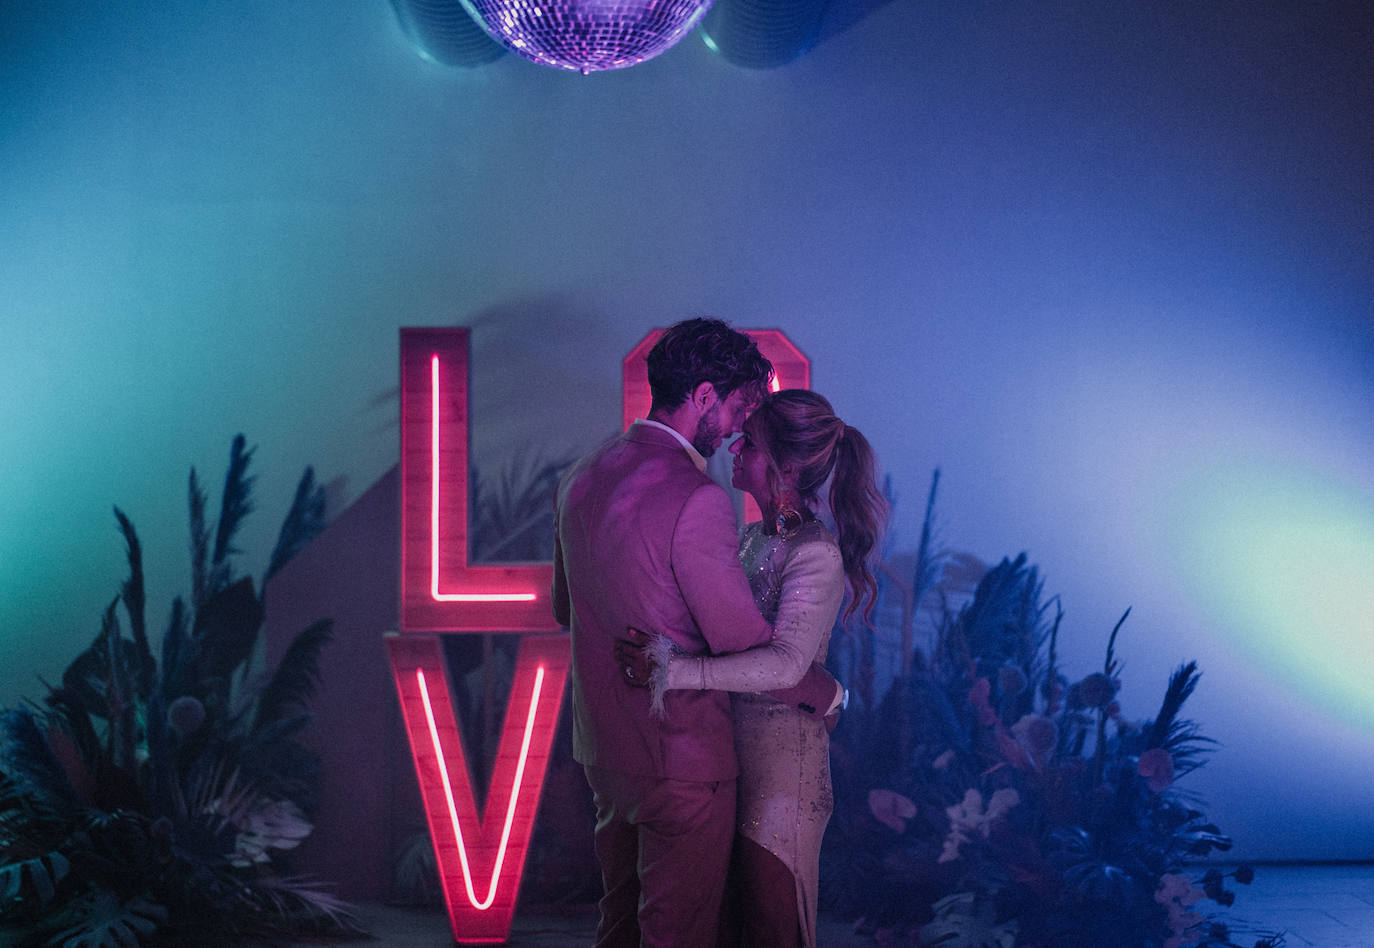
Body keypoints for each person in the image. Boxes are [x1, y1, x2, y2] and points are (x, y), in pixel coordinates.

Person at [551, 319, 840, 948]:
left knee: (618, 928)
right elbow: (742, 641)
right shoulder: (697, 497)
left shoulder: (581, 475)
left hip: (603, 753)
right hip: (683, 758)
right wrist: (823, 691)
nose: (739, 426)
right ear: (705, 396)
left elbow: (562, 608)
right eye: (738, 406)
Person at [618, 389, 887, 948]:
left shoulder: (815, 552)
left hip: (782, 771)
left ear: (786, 466)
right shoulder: (752, 540)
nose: (736, 446)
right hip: (729, 758)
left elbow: (788, 666)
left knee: (772, 931)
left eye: (754, 443)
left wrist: (674, 672)